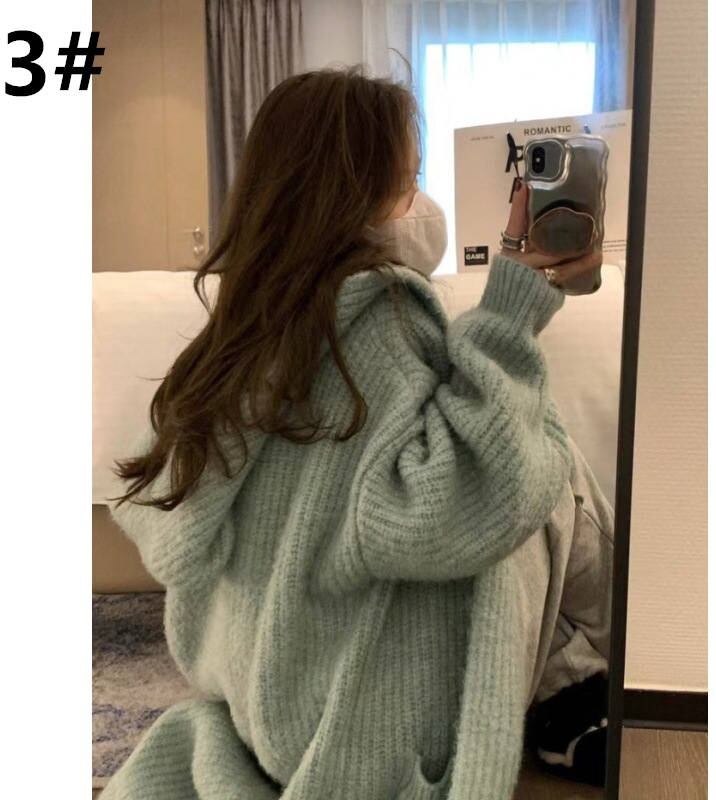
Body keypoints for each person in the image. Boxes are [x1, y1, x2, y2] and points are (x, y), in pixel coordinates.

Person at [100, 66, 613, 800]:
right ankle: (595, 676)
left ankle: (580, 678)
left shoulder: (234, 337)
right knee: (543, 462)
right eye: (407, 183)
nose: (421, 205)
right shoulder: (377, 321)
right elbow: (459, 507)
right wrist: (511, 312)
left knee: (530, 446)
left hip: (264, 702)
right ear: (352, 195)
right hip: (361, 728)